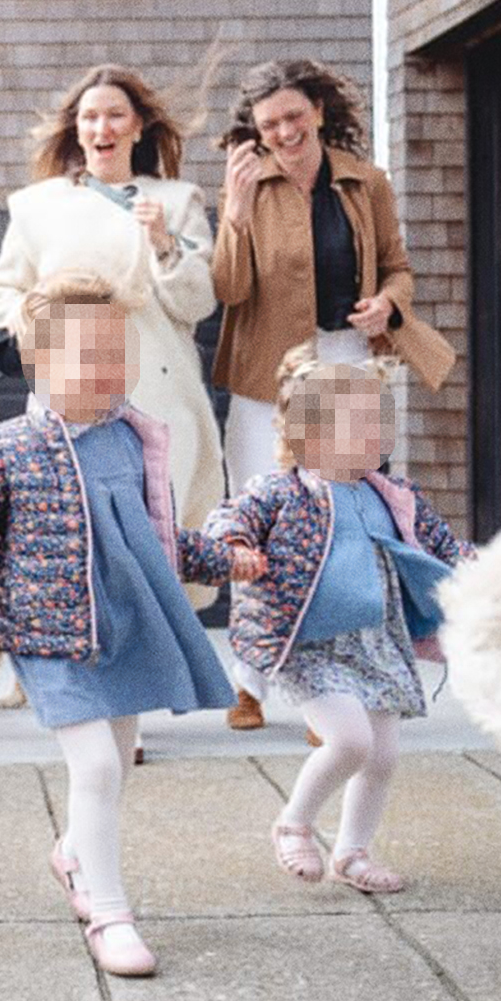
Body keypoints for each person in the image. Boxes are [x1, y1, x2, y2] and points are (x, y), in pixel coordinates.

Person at [0, 272, 257, 977]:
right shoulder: (2, 450)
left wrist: (222, 559)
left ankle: (74, 851)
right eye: (89, 354)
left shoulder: (134, 441)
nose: (109, 368)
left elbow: (157, 536)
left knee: (120, 758)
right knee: (97, 764)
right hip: (53, 636)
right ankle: (109, 912)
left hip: (129, 624)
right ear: (43, 360)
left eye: (117, 350)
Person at [208, 58, 454, 728]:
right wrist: (232, 214)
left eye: (293, 116)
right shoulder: (249, 185)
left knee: (346, 523)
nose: (284, 133)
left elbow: (399, 269)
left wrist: (387, 305)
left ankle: (336, 685)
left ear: (318, 109)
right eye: (268, 125)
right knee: (267, 523)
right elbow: (227, 291)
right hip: (269, 376)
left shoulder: (365, 181)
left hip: (347, 363)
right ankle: (251, 676)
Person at [209, 346, 474, 893]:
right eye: (363, 426)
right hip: (310, 645)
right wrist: (233, 547)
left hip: (376, 642)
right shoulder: (282, 492)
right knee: (349, 743)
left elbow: (440, 544)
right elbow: (231, 519)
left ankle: (353, 852)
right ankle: (294, 823)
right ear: (311, 436)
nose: (378, 438)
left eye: (381, 424)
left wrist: (479, 567)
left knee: (382, 756)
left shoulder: (393, 494)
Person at [0, 64, 223, 540]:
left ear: (137, 126)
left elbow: (199, 304)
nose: (102, 128)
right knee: (75, 538)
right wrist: (38, 325)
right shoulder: (38, 207)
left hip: (160, 395)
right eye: (90, 117)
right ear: (76, 128)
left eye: (115, 115)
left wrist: (163, 244)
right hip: (67, 399)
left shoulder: (176, 203)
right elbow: (0, 290)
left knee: (158, 542)